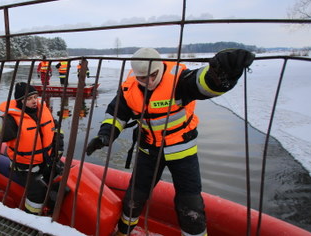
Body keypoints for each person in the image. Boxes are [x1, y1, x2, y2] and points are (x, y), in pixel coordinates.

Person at [86, 48, 255, 236]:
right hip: (148, 151)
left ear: (160, 68)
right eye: (142, 78)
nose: (148, 81)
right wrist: (105, 135)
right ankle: (123, 232)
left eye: (153, 75)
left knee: (190, 205)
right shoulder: (129, 88)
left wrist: (222, 74)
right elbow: (116, 115)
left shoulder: (179, 80)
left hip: (182, 151)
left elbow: (203, 83)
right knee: (134, 197)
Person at [0, 82, 64, 214]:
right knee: (37, 193)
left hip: (46, 160)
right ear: (20, 102)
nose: (34, 101)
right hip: (25, 166)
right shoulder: (12, 120)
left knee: (61, 181)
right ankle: (31, 217)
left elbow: (56, 130)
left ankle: (52, 211)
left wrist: (59, 147)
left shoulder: (43, 111)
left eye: (35, 97)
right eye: (28, 99)